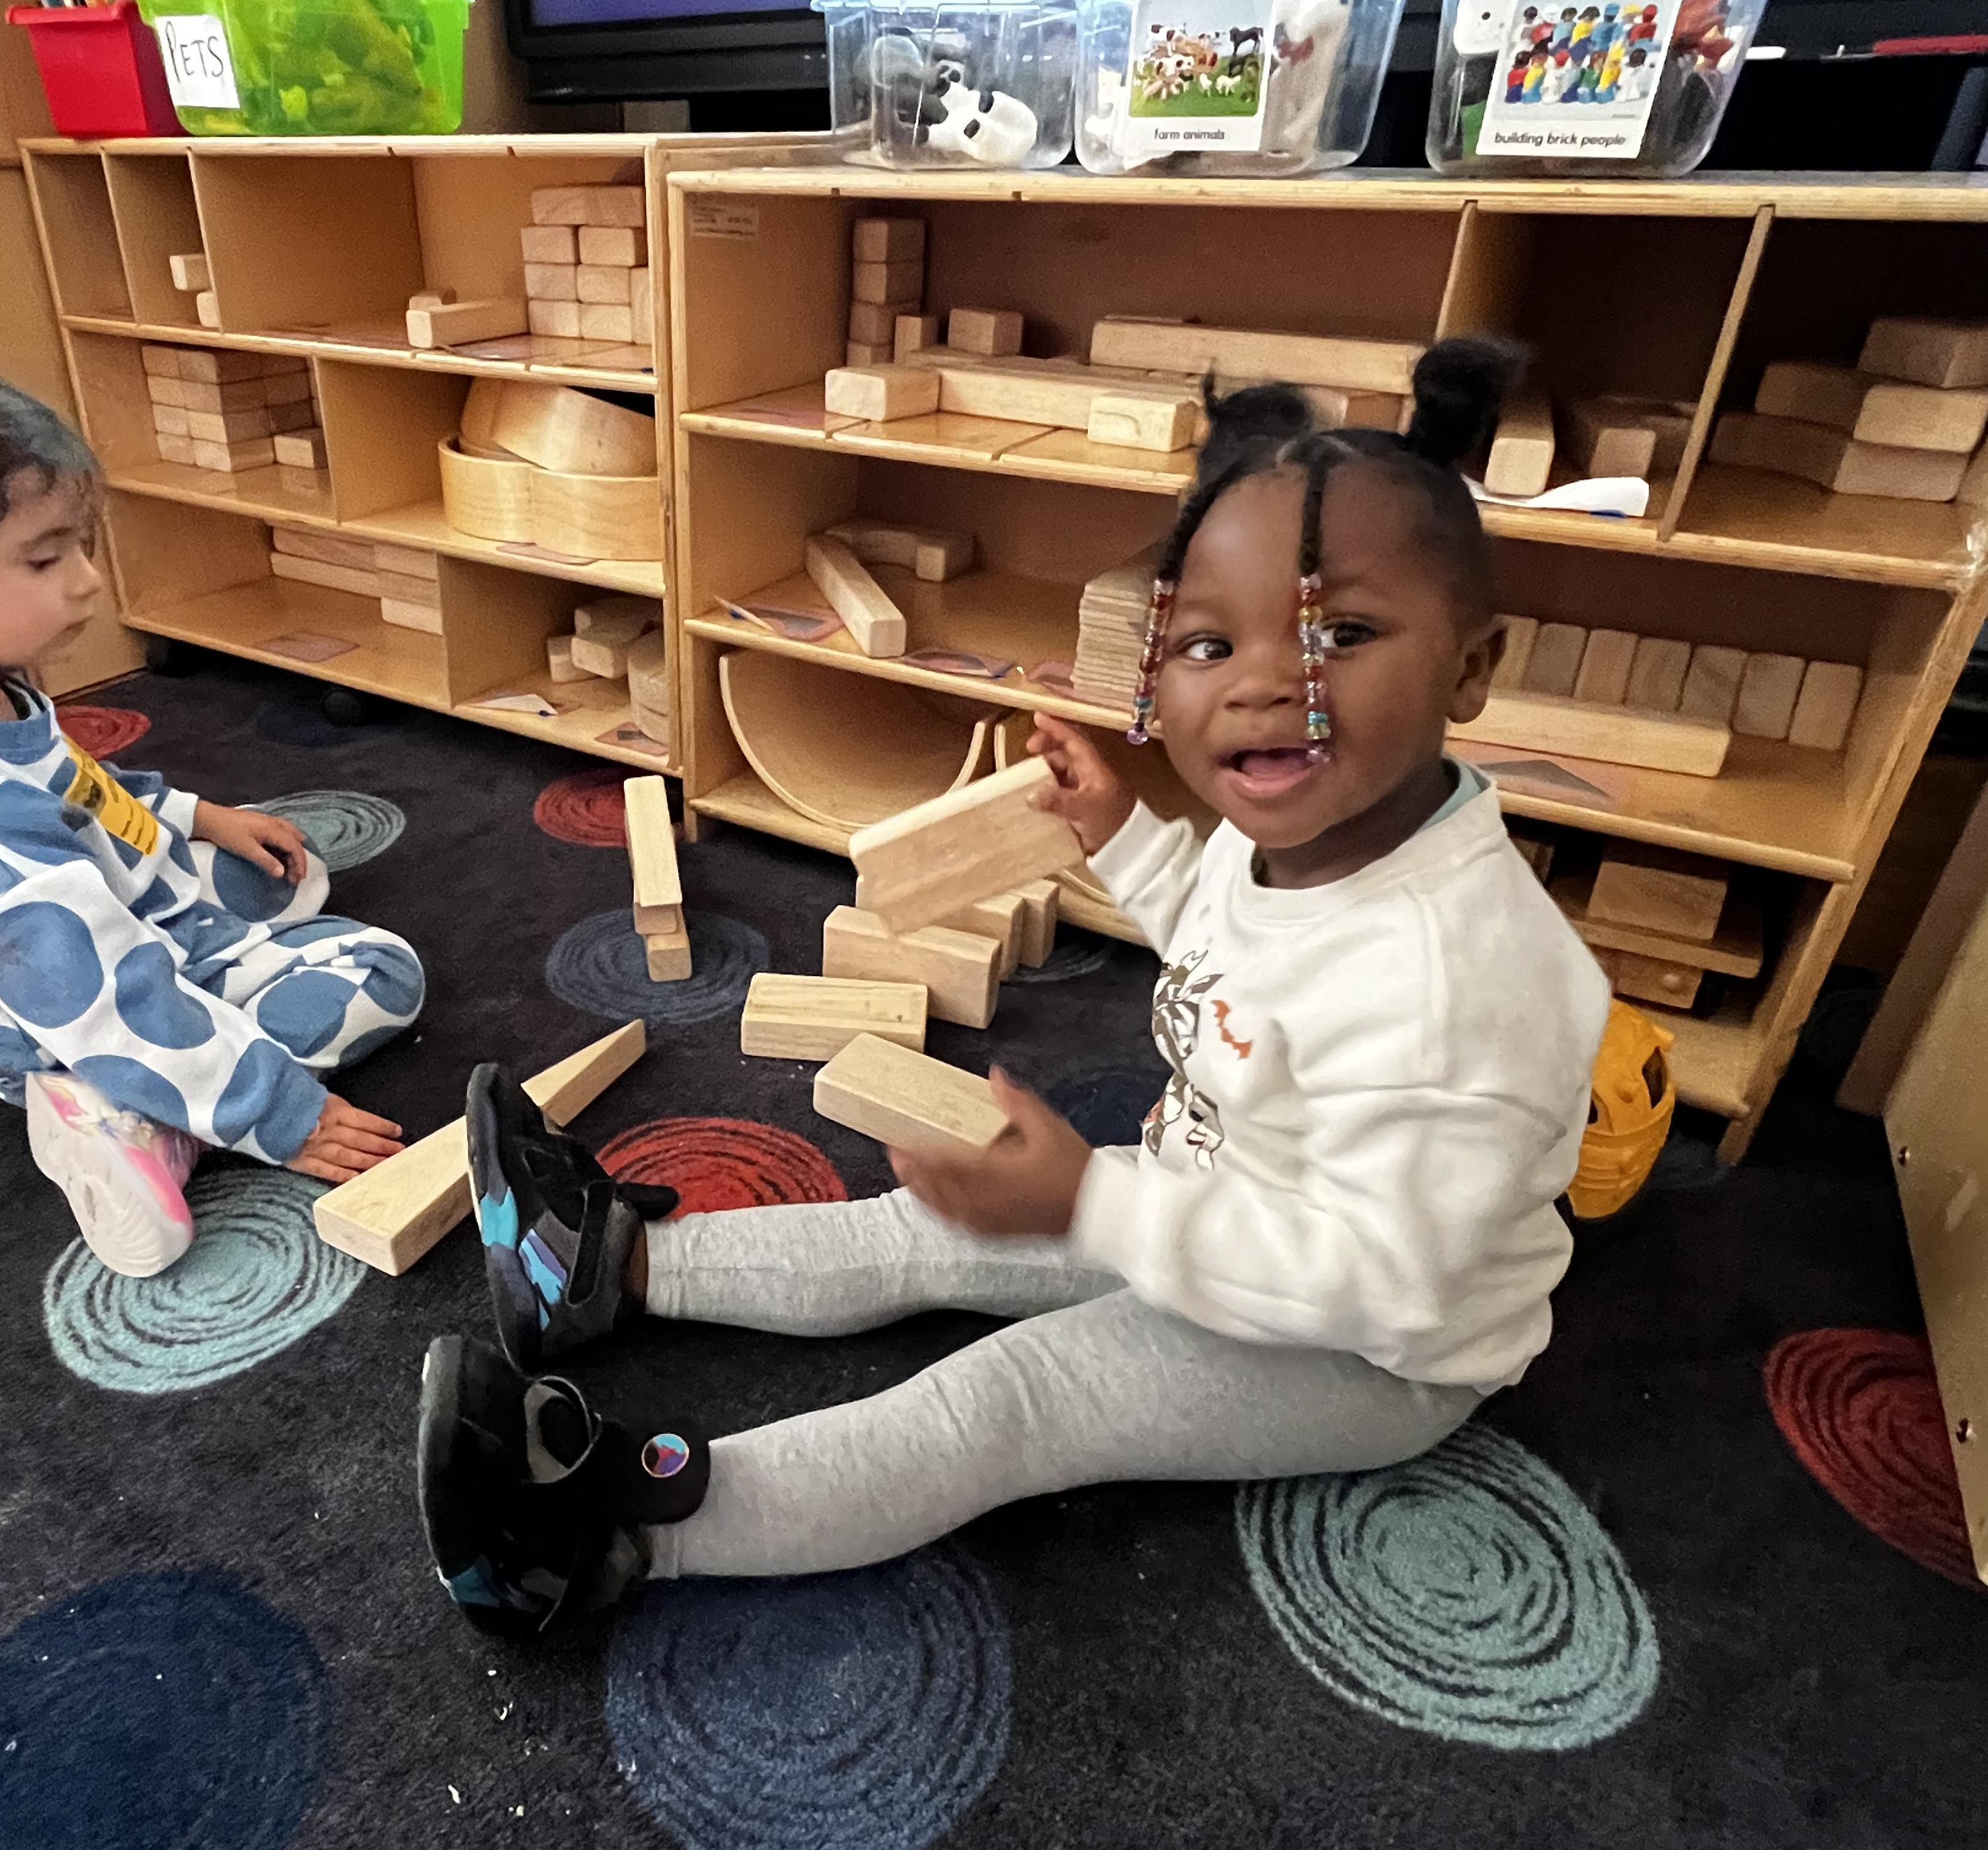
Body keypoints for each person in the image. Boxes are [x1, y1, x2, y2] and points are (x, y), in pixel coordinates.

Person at [415, 337, 1612, 1637]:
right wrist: (1130, 844)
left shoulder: (1462, 986)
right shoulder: (1305, 833)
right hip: (1216, 1204)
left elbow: (1381, 1285)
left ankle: (608, 1538)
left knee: (1014, 1402)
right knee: (921, 1232)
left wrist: (1098, 1205)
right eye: (1210, 641)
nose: (1268, 681)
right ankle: (606, 1269)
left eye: (1346, 634)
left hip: (1364, 1349)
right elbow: (1230, 952)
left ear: (1473, 669)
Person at [0, 347, 423, 1278]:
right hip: (46, 1004)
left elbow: (70, 782)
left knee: (287, 873)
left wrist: (196, 816)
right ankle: (132, 1112)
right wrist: (283, 1116)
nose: (88, 581)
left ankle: (152, 1075)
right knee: (380, 973)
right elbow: (97, 993)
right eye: (45, 557)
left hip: (63, 922)